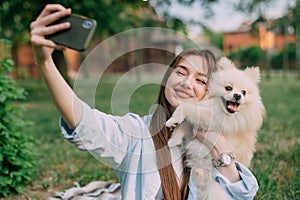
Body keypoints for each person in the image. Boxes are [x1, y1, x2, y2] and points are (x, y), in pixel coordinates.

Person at [30, 4, 259, 200]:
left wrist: (220, 148)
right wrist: (45, 63)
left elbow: (240, 194)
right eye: (180, 71)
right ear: (167, 77)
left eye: (200, 80)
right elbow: (86, 122)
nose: (187, 83)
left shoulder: (223, 139)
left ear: (209, 93)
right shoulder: (139, 134)